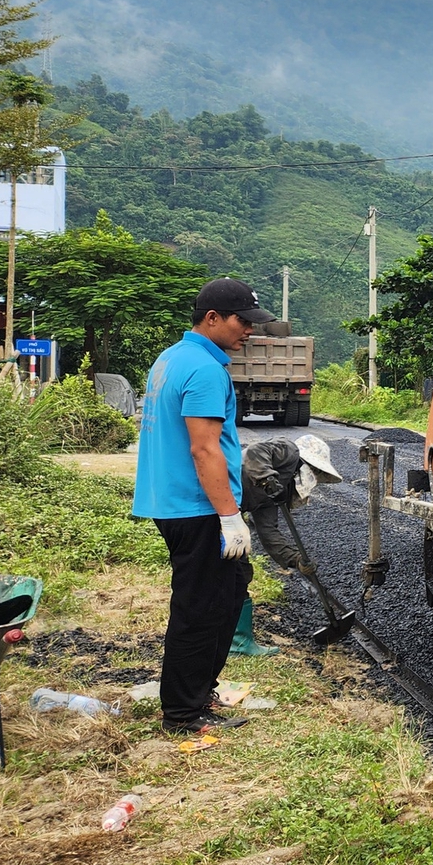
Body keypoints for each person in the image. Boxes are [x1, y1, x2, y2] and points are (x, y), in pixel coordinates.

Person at [133, 277, 275, 734]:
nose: (249, 331)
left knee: (230, 590)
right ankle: (181, 712)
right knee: (200, 607)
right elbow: (205, 449)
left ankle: (200, 690)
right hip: (197, 508)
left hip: (176, 502)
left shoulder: (172, 358)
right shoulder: (205, 370)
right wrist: (230, 516)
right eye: (242, 322)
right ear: (212, 318)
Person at [233, 434, 343, 655]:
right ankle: (232, 641)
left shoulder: (272, 498)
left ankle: (237, 639)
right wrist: (267, 478)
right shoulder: (289, 451)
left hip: (230, 511)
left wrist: (296, 560)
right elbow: (255, 451)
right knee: (227, 570)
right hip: (212, 499)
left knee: (240, 571)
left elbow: (269, 534)